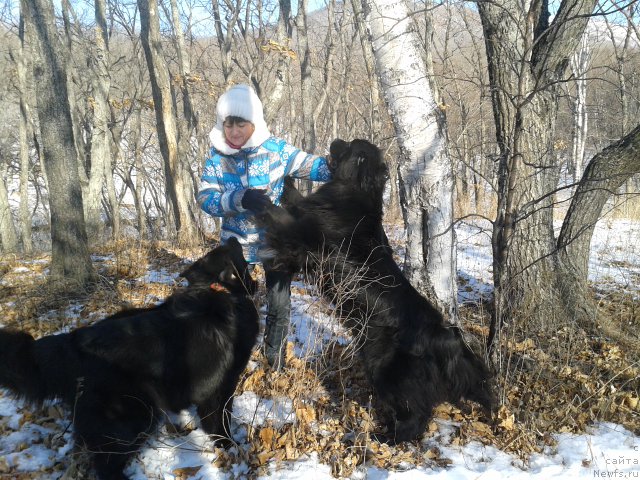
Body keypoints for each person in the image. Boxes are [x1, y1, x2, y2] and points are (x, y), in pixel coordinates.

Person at [197, 84, 332, 371]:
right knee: (230, 306)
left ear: (253, 123)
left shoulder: (275, 150)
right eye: (228, 123)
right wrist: (239, 198)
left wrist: (337, 162)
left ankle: (275, 360)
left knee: (279, 304)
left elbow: (313, 167)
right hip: (235, 243)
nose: (233, 131)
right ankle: (230, 360)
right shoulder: (216, 158)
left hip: (274, 240)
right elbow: (205, 198)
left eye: (240, 123)